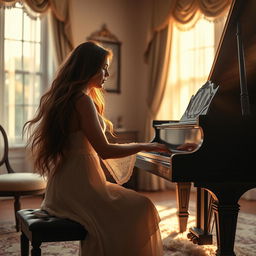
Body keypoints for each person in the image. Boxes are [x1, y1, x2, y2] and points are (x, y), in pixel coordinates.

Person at [24, 41, 171, 256]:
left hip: (65, 188)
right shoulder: (82, 101)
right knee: (143, 207)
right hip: (80, 189)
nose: (107, 74)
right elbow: (106, 151)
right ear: (88, 68)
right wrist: (147, 146)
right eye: (104, 67)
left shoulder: (67, 98)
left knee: (132, 205)